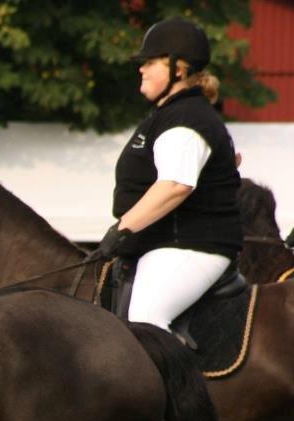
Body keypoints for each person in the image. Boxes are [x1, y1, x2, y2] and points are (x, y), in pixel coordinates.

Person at [94, 17, 242, 333]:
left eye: (150, 62)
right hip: (164, 244)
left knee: (144, 323)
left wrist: (122, 229)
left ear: (178, 69)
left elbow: (176, 185)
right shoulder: (170, 114)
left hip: (189, 246)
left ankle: (175, 385)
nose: (141, 69)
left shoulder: (187, 118)